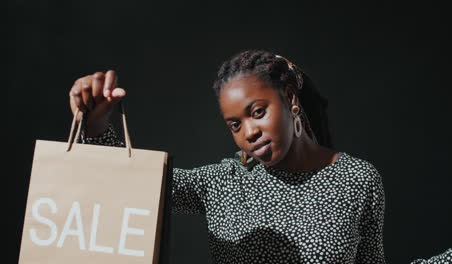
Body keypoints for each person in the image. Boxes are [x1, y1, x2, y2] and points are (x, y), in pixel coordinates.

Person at [69, 50, 386, 263]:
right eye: (235, 124)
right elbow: (135, 182)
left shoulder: (358, 179)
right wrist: (96, 124)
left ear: (290, 98)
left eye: (258, 112)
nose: (249, 132)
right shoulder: (222, 183)